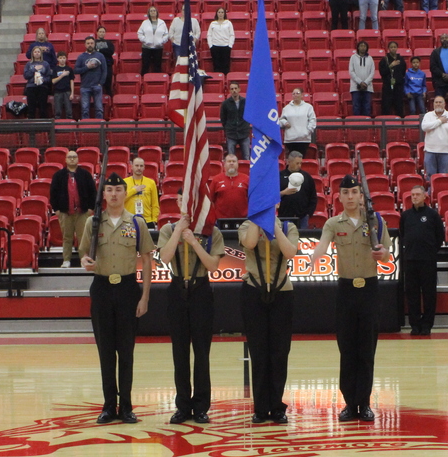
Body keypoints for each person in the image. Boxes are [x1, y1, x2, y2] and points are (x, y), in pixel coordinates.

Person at [309, 175, 392, 421]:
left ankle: (364, 403)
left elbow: (387, 255)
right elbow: (323, 244)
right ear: (339, 197)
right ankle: (349, 404)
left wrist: (383, 253)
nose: (350, 197)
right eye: (345, 193)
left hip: (369, 290)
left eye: (354, 192)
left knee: (366, 350)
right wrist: (316, 255)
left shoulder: (376, 221)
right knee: (347, 349)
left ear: (360, 195)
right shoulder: (334, 223)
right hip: (345, 291)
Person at [80, 173, 154, 425]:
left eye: (117, 190)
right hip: (101, 289)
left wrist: (144, 297)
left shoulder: (136, 222)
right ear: (105, 195)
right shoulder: (93, 222)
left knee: (126, 350)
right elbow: (83, 254)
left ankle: (127, 406)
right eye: (109, 189)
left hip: (127, 289)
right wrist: (84, 262)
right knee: (105, 351)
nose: (113, 194)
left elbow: (146, 259)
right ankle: (108, 405)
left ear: (125, 193)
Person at [158, 197, 225, 424]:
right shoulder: (168, 229)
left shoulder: (211, 231)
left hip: (201, 291)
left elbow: (213, 266)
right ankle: (183, 406)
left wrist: (194, 242)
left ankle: (201, 406)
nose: (187, 204)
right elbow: (165, 257)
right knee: (180, 352)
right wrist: (178, 231)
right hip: (177, 290)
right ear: (178, 202)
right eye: (183, 199)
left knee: (201, 352)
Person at [239, 210, 299, 424]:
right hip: (254, 291)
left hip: (282, 292)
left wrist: (273, 226)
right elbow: (250, 243)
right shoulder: (247, 225)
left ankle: (277, 406)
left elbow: (290, 252)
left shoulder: (287, 227)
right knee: (259, 351)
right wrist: (258, 220)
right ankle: (261, 408)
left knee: (279, 352)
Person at [400, 185, 443, 335]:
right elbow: (403, 235)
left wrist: (430, 251)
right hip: (410, 260)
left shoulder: (433, 215)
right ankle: (415, 324)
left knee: (429, 294)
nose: (415, 197)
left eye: (417, 194)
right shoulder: (405, 216)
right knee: (412, 294)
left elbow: (440, 236)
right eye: (412, 195)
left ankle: (427, 325)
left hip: (428, 261)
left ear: (425, 196)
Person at [50, 149, 97, 268]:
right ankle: (66, 260)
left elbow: (93, 192)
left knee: (83, 237)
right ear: (65, 159)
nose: (72, 159)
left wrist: (91, 208)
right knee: (67, 237)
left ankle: (84, 260)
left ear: (78, 159)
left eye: (74, 157)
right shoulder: (58, 175)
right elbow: (53, 193)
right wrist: (57, 209)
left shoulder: (85, 174)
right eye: (69, 157)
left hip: (83, 212)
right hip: (65, 212)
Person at [421, 94, 448, 178]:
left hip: (445, 152)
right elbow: (424, 127)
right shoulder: (428, 115)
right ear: (433, 104)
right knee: (430, 176)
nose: (438, 104)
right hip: (430, 151)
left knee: (444, 177)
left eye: (440, 102)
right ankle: (431, 191)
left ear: (444, 104)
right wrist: (439, 121)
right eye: (436, 102)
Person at [278, 151, 318, 229]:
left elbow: (313, 197)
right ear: (289, 162)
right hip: (284, 217)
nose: (299, 166)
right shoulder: (279, 176)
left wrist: (308, 214)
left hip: (302, 217)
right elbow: (271, 196)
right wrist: (283, 193)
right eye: (297, 163)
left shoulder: (306, 177)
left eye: (300, 163)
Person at [74, 35, 107, 120]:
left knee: (99, 108)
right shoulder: (81, 57)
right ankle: (85, 129)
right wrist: (87, 67)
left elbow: (104, 71)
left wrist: (101, 83)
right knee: (85, 109)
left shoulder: (100, 56)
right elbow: (76, 70)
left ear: (94, 44)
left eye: (92, 43)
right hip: (85, 86)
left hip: (97, 86)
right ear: (85, 45)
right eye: (88, 43)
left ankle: (100, 128)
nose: (90, 45)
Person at [278, 88, 317, 158]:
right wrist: (285, 123)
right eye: (293, 94)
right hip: (290, 139)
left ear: (302, 95)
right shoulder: (286, 108)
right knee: (292, 160)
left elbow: (312, 120)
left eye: (297, 93)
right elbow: (281, 119)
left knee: (301, 159)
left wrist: (308, 131)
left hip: (304, 139)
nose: (295, 95)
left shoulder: (308, 107)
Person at [209, 154, 249, 220]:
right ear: (224, 164)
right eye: (229, 161)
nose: (231, 163)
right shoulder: (216, 179)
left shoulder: (246, 179)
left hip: (243, 219)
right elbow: (211, 199)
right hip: (220, 219)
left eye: (234, 161)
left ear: (238, 164)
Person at [220, 82, 251, 159]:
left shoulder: (246, 102)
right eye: (232, 89)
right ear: (229, 91)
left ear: (239, 89)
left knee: (247, 157)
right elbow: (223, 118)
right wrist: (228, 128)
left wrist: (245, 127)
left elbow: (250, 116)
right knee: (231, 158)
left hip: (244, 133)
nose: (234, 90)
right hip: (231, 134)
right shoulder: (225, 104)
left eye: (235, 88)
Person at [126, 157, 159, 228]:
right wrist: (134, 190)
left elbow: (155, 204)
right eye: (136, 165)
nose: (139, 168)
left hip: (147, 221)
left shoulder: (151, 182)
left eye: (141, 166)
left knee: (147, 239)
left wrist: (154, 220)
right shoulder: (125, 182)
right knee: (127, 239)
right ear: (132, 167)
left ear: (144, 167)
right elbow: (121, 199)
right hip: (128, 221)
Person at [137, 6, 169, 75]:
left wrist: (161, 41)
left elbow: (166, 34)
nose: (153, 12)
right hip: (146, 47)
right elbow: (139, 33)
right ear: (149, 13)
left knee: (157, 65)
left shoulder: (162, 22)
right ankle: (144, 79)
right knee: (145, 65)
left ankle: (157, 79)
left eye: (154, 11)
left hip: (158, 47)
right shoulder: (145, 22)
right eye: (151, 11)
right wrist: (145, 40)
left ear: (157, 12)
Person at [379, 40, 407, 117]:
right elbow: (382, 72)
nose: (393, 49)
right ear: (388, 48)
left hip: (398, 86)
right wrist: (390, 66)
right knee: (386, 104)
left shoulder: (401, 59)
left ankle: (400, 123)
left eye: (394, 47)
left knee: (399, 104)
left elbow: (403, 71)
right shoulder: (384, 60)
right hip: (387, 86)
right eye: (391, 47)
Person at [23, 46, 51, 119]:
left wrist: (43, 79)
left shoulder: (45, 64)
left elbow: (49, 77)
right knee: (31, 107)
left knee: (42, 107)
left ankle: (43, 125)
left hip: (42, 87)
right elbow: (26, 75)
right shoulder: (29, 64)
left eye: (38, 52)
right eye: (35, 52)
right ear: (32, 54)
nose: (37, 53)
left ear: (41, 53)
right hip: (31, 87)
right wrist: (34, 70)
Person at [349, 40, 375, 117]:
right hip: (355, 86)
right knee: (356, 106)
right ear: (358, 47)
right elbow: (351, 71)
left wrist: (365, 82)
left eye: (364, 46)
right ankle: (357, 126)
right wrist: (360, 82)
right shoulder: (353, 57)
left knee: (367, 106)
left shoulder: (370, 58)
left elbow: (372, 72)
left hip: (368, 87)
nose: (363, 48)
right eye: (361, 46)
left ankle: (367, 126)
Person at [207, 7, 235, 75]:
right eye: (219, 12)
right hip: (215, 47)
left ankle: (225, 79)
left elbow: (232, 35)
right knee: (216, 64)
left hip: (226, 47)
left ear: (224, 13)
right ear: (217, 13)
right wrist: (211, 46)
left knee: (225, 65)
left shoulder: (228, 23)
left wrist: (230, 45)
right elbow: (209, 35)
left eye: (222, 12)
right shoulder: (213, 23)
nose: (220, 14)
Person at [51, 52, 74, 120]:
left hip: (67, 91)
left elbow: (71, 81)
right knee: (57, 111)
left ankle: (69, 127)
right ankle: (57, 125)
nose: (62, 60)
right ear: (58, 59)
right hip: (57, 92)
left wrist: (72, 93)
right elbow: (53, 81)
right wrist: (62, 75)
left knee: (69, 111)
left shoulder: (69, 69)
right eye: (60, 58)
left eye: (64, 58)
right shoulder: (55, 69)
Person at [94, 26, 116, 96]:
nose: (102, 33)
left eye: (103, 32)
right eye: (100, 32)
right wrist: (103, 51)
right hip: (96, 65)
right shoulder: (93, 42)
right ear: (97, 33)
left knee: (108, 81)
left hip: (107, 64)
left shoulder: (109, 43)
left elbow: (110, 51)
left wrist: (99, 50)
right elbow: (93, 52)